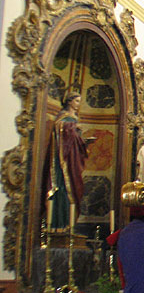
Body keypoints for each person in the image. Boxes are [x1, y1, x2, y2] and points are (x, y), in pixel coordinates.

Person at [42, 91, 93, 229]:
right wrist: (72, 128)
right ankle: (56, 223)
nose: (78, 104)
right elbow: (60, 132)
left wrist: (83, 143)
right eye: (76, 101)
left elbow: (75, 140)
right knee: (62, 186)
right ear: (69, 101)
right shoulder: (63, 118)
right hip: (63, 160)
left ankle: (68, 224)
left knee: (75, 186)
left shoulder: (73, 118)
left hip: (73, 159)